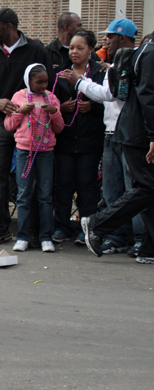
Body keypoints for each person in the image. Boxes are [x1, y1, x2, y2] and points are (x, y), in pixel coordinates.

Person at [60, 18, 143, 255]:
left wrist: (80, 83)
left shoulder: (137, 60)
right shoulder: (113, 63)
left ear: (123, 38)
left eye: (111, 36)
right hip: (110, 135)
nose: (106, 40)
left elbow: (109, 94)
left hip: (129, 136)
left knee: (133, 191)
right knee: (112, 190)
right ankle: (117, 236)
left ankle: (139, 237)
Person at [0, 8, 53, 245]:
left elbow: (48, 84)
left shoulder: (36, 50)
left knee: (32, 178)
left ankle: (34, 231)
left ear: (8, 26)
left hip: (30, 125)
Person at [82, 35, 154, 264]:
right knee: (147, 186)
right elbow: (147, 96)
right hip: (139, 133)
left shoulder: (146, 51)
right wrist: (153, 135)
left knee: (148, 188)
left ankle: (148, 248)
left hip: (136, 130)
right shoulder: (150, 53)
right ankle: (98, 223)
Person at [51, 30, 105, 245]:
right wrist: (61, 108)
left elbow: (110, 102)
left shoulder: (100, 73)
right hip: (64, 139)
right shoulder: (61, 73)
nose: (74, 52)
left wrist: (92, 106)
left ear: (90, 49)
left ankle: (87, 229)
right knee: (63, 185)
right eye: (72, 47)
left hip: (89, 140)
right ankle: (62, 227)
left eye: (80, 48)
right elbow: (50, 102)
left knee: (87, 186)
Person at [5, 64, 64, 252]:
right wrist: (20, 110)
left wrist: (53, 112)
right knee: (23, 194)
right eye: (38, 82)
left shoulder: (52, 98)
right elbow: (8, 125)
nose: (43, 85)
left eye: (45, 81)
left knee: (45, 195)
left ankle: (46, 237)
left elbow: (60, 127)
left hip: (46, 152)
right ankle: (22, 236)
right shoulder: (18, 97)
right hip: (24, 151)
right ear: (28, 81)